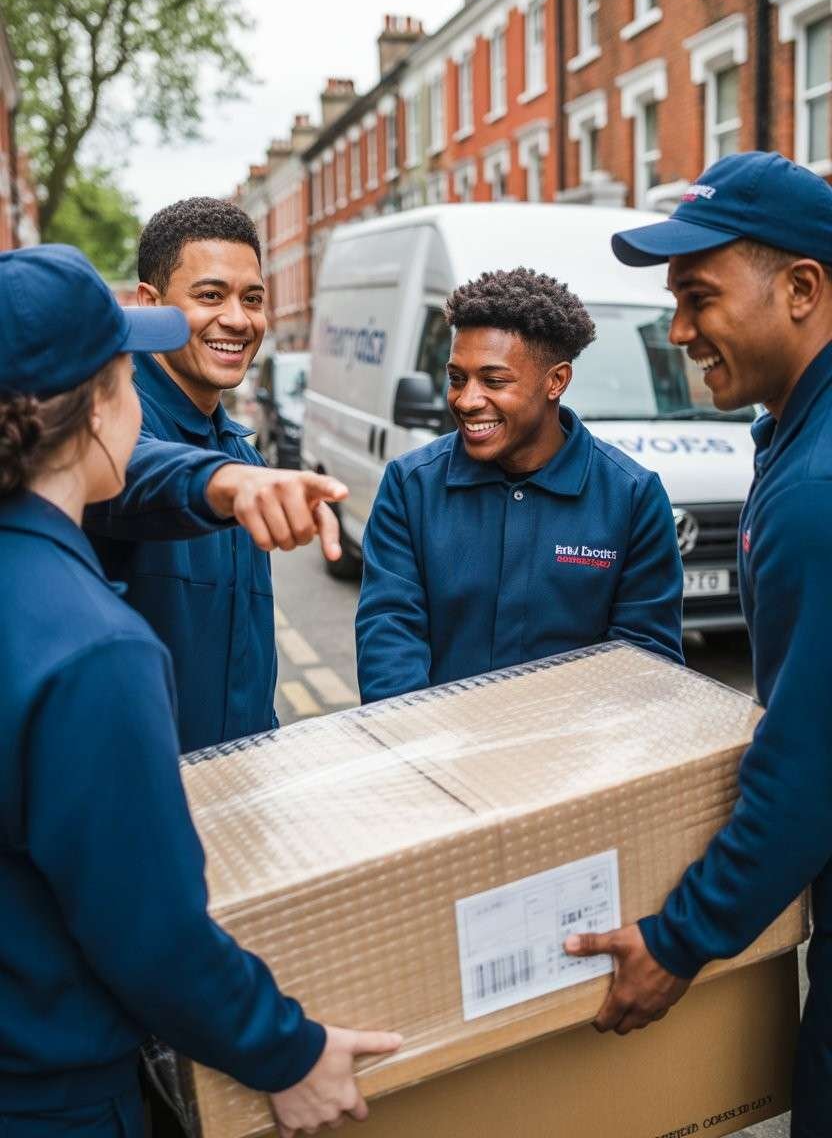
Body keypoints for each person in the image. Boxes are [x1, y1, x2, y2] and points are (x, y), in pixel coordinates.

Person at [0, 244, 400, 1138]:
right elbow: (146, 930)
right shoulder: (90, 648)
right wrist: (286, 1052)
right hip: (52, 1090)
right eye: (125, 371)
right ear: (101, 405)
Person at [563, 151, 832, 1135]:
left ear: (800, 289)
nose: (676, 331)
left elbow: (806, 769)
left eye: (696, 297)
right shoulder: (797, 441)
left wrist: (677, 941)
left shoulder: (816, 489)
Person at [86, 197, 344, 753]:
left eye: (253, 299)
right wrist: (223, 483)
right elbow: (128, 469)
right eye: (210, 296)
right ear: (149, 306)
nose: (238, 319)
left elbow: (243, 657)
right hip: (144, 801)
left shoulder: (241, 452)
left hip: (238, 783)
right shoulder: (111, 422)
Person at [355, 268, 683, 704]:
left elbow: (644, 663)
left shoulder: (631, 497)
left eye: (494, 381)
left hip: (577, 765)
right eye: (457, 378)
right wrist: (419, 752)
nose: (467, 400)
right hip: (439, 758)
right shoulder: (410, 486)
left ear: (556, 381)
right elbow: (389, 639)